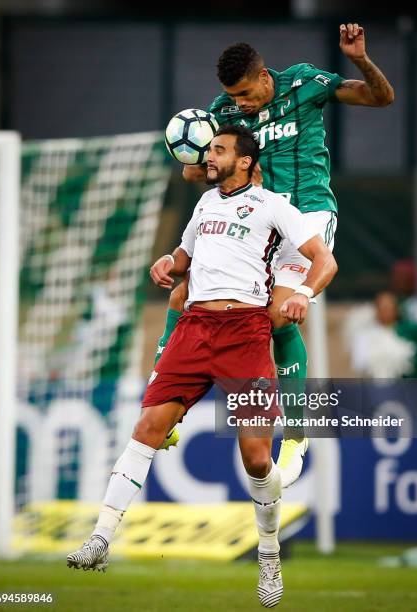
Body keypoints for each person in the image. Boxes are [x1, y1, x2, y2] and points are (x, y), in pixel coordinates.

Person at [67, 125, 338, 608]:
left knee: (256, 459)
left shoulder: (274, 205)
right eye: (209, 149)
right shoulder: (205, 205)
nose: (207, 156)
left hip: (246, 334)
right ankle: (100, 538)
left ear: (247, 161)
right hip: (194, 331)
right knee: (148, 427)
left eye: (218, 150)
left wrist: (301, 293)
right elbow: (184, 256)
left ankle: (269, 556)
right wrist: (166, 262)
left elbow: (325, 261)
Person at [156, 23, 394, 486]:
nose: (240, 104)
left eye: (246, 93)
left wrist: (361, 59)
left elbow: (380, 98)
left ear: (265, 76)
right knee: (184, 296)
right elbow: (203, 172)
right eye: (233, 96)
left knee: (279, 316)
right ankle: (165, 405)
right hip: (253, 223)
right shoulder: (223, 111)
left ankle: (298, 432)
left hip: (305, 219)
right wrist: (196, 160)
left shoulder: (305, 84)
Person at [344, 291, 417, 378]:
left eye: (389, 308)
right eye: (382, 308)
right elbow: (360, 364)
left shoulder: (408, 332)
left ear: (396, 310)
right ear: (376, 310)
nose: (386, 312)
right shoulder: (365, 335)